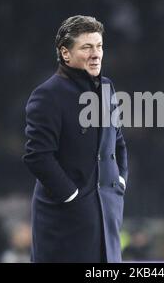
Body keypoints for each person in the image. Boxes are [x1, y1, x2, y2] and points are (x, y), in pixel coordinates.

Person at [23, 15, 128, 262]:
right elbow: (38, 156)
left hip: (105, 218)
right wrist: (72, 197)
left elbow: (118, 142)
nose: (96, 54)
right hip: (65, 224)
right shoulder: (47, 95)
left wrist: (119, 182)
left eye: (99, 46)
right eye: (87, 47)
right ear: (65, 54)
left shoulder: (107, 87)